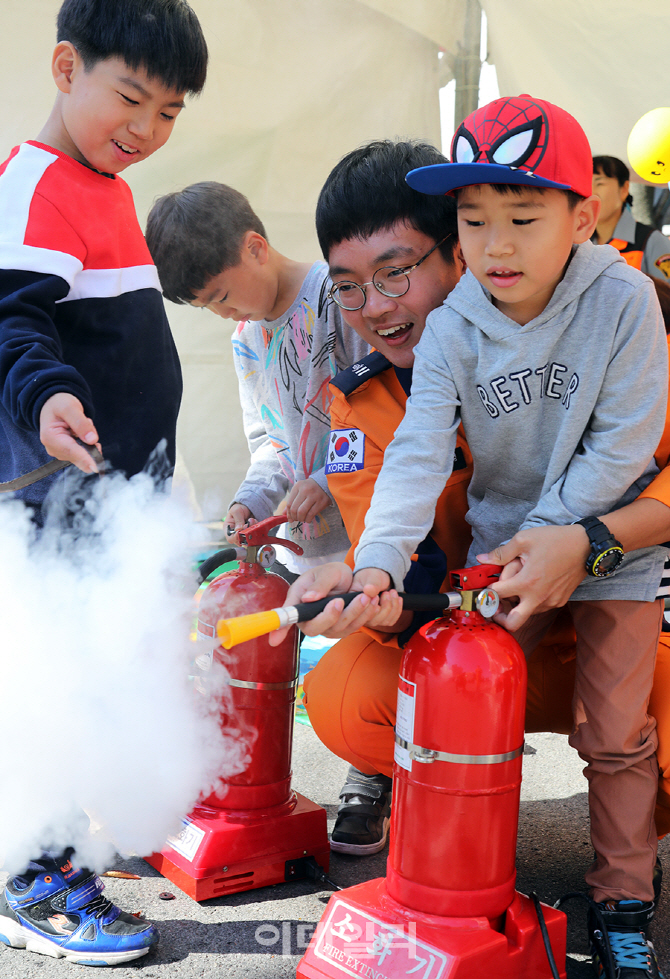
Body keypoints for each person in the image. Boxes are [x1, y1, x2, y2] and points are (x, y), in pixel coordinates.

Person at [278, 97, 669, 976]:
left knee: (619, 734)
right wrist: (374, 566)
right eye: (475, 220)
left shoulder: (628, 300)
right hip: (499, 568)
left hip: (613, 560)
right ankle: (458, 887)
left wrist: (556, 536)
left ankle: (623, 900)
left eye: (523, 220)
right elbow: (415, 454)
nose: (496, 246)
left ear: (586, 213)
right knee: (447, 710)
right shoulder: (451, 328)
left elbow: (629, 446)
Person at [0, 0, 207, 965]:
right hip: (48, 494)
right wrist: (45, 398)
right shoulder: (33, 183)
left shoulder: (104, 183)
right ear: (63, 66)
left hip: (106, 498)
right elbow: (11, 323)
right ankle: (28, 873)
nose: (147, 130)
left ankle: (66, 842)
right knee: (41, 682)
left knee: (91, 677)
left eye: (169, 112)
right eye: (131, 98)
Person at [146, 181, 369, 575]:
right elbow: (271, 440)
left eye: (220, 296)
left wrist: (326, 478)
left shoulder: (337, 298)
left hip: (370, 543)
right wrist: (251, 501)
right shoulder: (247, 337)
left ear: (255, 248)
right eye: (205, 307)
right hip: (302, 554)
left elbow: (381, 415)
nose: (222, 314)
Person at [592, 155, 670, 281]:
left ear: (624, 189)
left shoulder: (651, 241)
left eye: (599, 183)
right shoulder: (580, 243)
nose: (591, 192)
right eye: (585, 184)